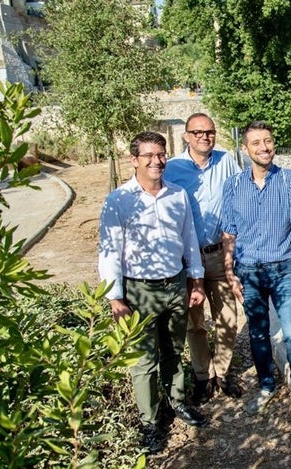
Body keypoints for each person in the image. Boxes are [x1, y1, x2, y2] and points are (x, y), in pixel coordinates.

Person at [98, 131, 208, 454]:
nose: (156, 161)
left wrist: (196, 281)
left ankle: (177, 403)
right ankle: (150, 421)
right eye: (148, 155)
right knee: (144, 361)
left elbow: (189, 241)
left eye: (160, 154)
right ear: (134, 160)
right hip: (139, 292)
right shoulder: (119, 200)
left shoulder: (178, 195)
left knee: (174, 351)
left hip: (175, 286)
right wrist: (116, 298)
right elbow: (109, 253)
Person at [220, 120, 291, 414]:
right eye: (256, 143)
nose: (263, 147)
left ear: (274, 144)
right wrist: (230, 272)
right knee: (258, 333)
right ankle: (267, 384)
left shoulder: (289, 180)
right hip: (249, 272)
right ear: (245, 150)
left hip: (283, 269)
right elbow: (229, 232)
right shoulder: (232, 185)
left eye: (267, 141)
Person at [163, 113, 243, 405]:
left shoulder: (227, 162)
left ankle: (221, 373)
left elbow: (239, 202)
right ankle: (203, 377)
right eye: (197, 132)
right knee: (193, 323)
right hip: (186, 260)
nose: (204, 137)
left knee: (228, 318)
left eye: (209, 132)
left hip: (219, 255)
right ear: (186, 136)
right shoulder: (171, 168)